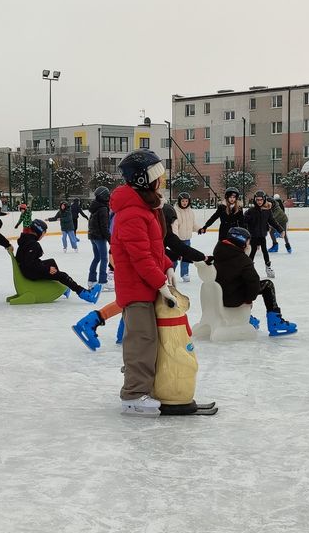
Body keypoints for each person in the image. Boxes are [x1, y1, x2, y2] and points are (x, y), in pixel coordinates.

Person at [73, 202, 208, 351]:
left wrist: (169, 264)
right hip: (125, 261)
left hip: (126, 260)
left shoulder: (155, 227)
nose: (170, 227)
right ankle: (91, 321)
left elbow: (160, 252)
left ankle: (121, 333)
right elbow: (153, 252)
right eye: (170, 223)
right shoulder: (148, 226)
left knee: (132, 300)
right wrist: (199, 258)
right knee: (133, 299)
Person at [110, 149, 173, 415]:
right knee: (141, 340)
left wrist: (167, 267)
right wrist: (161, 284)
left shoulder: (144, 208)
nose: (160, 180)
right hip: (137, 289)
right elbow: (141, 257)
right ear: (140, 180)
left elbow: (154, 250)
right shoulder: (132, 213)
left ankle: (142, 388)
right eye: (155, 175)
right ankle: (133, 395)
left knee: (148, 340)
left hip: (145, 286)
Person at [211, 226, 296, 336]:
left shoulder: (218, 252)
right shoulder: (243, 260)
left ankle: (246, 317)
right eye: (248, 242)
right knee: (267, 285)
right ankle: (274, 322)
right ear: (241, 241)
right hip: (233, 299)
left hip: (218, 295)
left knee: (239, 282)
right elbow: (254, 283)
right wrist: (249, 300)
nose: (248, 245)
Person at [15, 219, 101, 302]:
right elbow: (29, 263)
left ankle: (61, 286)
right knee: (63, 275)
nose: (43, 236)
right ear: (39, 232)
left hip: (26, 269)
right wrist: (47, 269)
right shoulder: (32, 244)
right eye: (44, 233)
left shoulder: (26, 240)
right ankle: (85, 294)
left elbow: (28, 261)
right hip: (29, 272)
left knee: (51, 262)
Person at [243, 191, 279, 277]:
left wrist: (280, 230)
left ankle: (268, 267)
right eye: (257, 200)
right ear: (255, 200)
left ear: (264, 200)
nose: (259, 201)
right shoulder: (251, 211)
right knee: (253, 251)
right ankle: (248, 268)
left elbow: (272, 221)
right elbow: (244, 222)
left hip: (262, 235)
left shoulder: (267, 211)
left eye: (261, 200)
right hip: (253, 235)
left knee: (265, 251)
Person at [87, 187, 111, 290]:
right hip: (99, 237)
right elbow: (104, 227)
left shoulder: (95, 207)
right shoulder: (103, 209)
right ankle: (102, 281)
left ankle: (91, 280)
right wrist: (110, 239)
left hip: (93, 236)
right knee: (104, 259)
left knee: (96, 258)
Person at [171, 192, 198, 280]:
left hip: (187, 239)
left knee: (186, 258)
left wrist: (200, 229)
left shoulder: (190, 211)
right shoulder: (175, 211)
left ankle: (185, 274)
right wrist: (176, 238)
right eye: (183, 201)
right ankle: (170, 273)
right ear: (179, 201)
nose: (184, 203)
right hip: (177, 240)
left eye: (186, 201)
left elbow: (193, 225)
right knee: (174, 258)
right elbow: (174, 226)